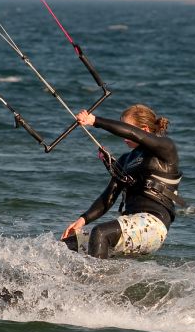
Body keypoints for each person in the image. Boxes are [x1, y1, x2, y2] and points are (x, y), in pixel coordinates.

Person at [61, 104, 184, 258]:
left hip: (154, 225)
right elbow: (108, 197)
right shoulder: (125, 160)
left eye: (125, 129)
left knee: (100, 232)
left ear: (144, 130)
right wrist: (82, 220)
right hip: (131, 223)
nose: (123, 137)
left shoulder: (165, 148)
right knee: (67, 245)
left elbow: (133, 133)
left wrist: (94, 120)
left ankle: (96, 280)